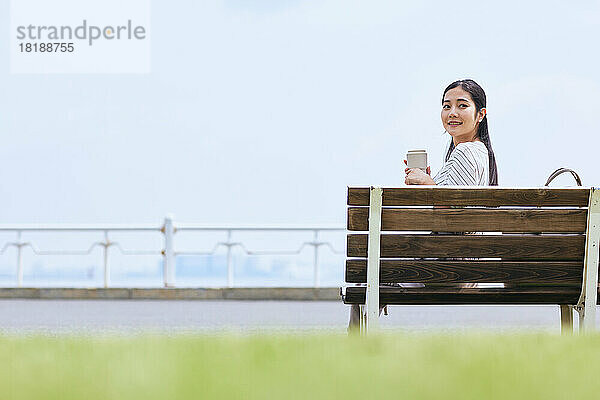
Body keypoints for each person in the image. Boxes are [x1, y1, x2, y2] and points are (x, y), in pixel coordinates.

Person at [348, 78, 498, 331]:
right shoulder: (481, 153)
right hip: (468, 269)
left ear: (480, 114)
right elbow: (455, 207)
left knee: (366, 279)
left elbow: (451, 213)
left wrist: (429, 186)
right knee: (371, 278)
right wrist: (431, 184)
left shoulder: (465, 152)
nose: (452, 113)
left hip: (446, 270)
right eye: (446, 106)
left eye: (462, 106)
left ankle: (354, 351)